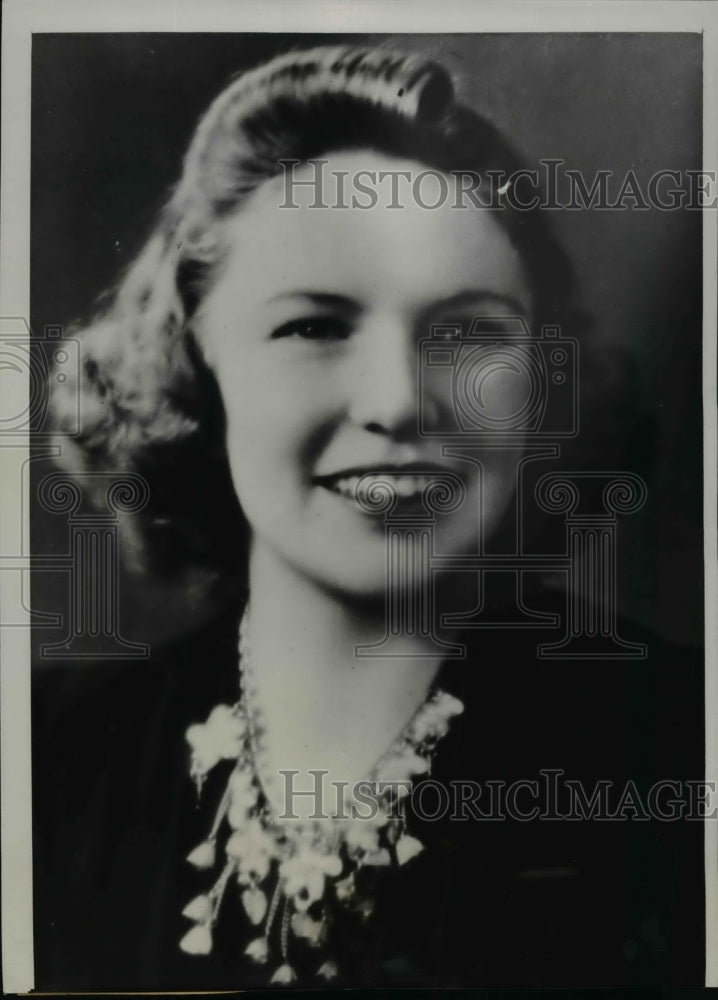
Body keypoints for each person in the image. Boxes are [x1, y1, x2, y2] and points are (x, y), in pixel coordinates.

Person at [34, 44, 703, 989]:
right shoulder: (48, 757)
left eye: (467, 332)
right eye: (314, 326)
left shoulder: (682, 747)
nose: (397, 402)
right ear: (195, 365)